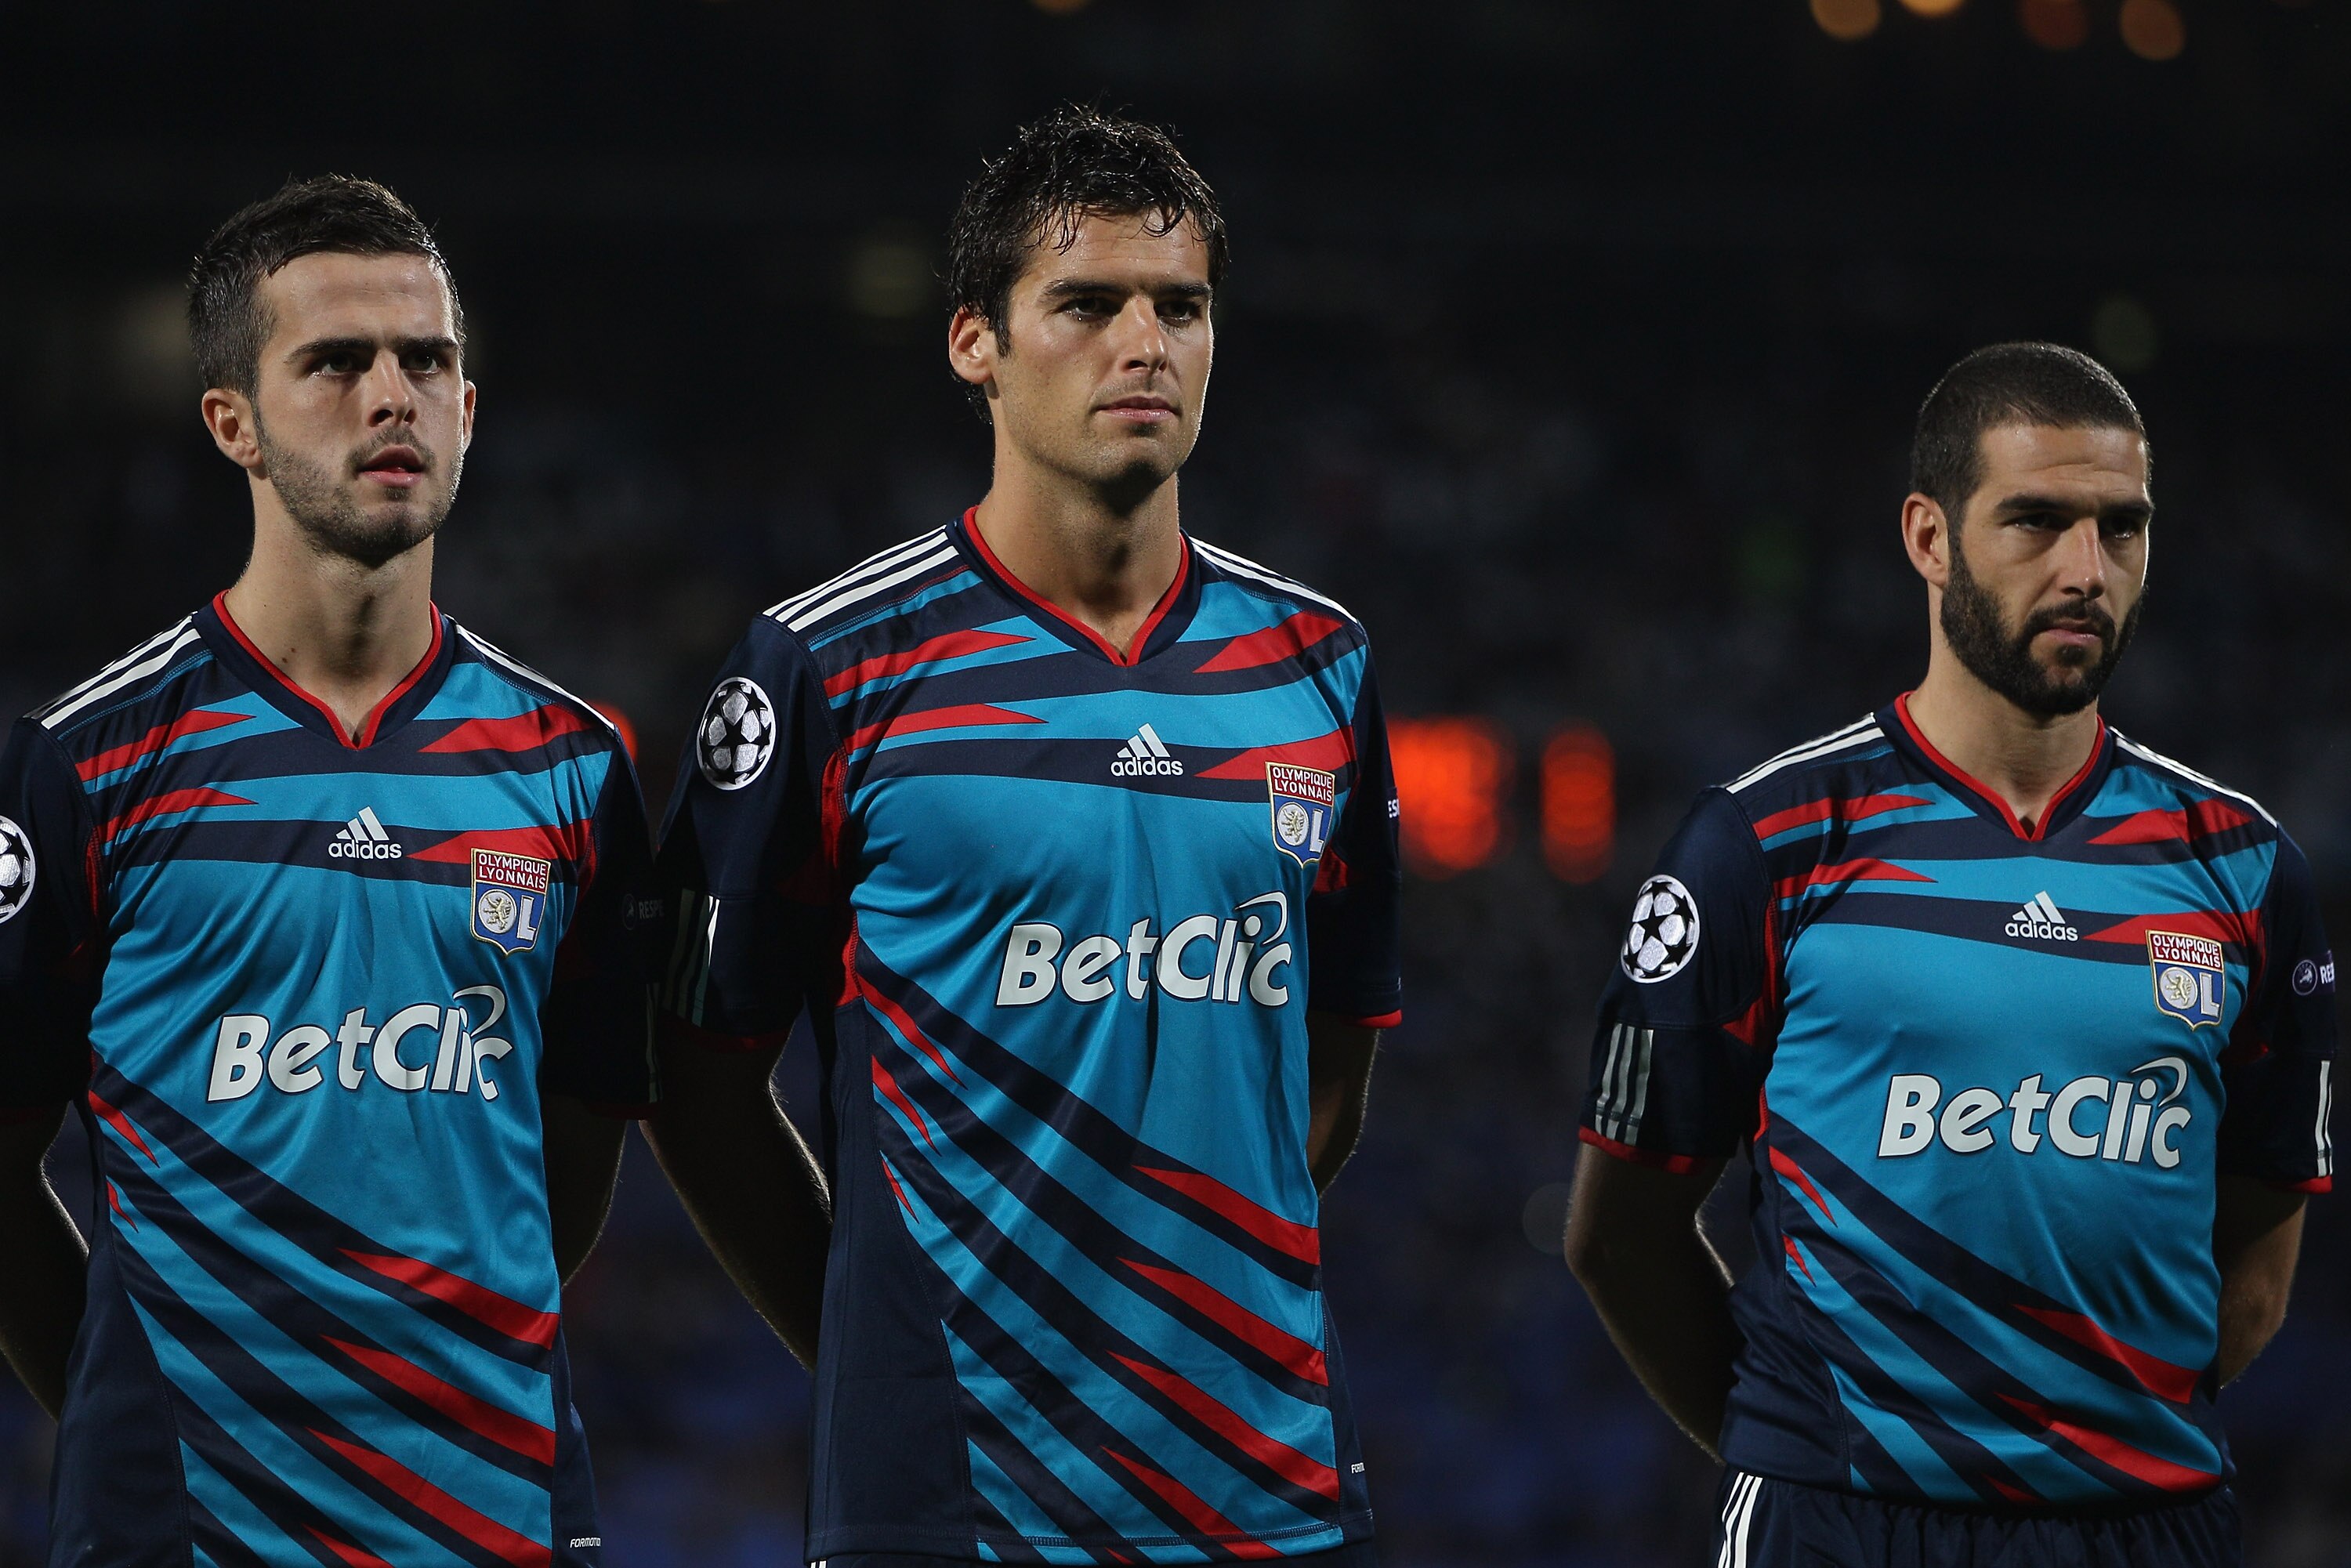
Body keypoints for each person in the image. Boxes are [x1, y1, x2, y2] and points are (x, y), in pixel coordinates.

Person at [647, 105, 1403, 1566]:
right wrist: (878, 1343)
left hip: (1270, 1495)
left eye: (1181, 306)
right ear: (974, 343)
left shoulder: (1322, 662)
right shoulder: (828, 667)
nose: (1146, 343)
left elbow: (1333, 1067)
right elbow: (695, 1079)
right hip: (950, 1502)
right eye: (1087, 303)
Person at [1564, 342, 2334, 1566]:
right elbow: (1620, 1233)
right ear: (1929, 537)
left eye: (2121, 529)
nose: (2088, 570)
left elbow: (2252, 1269)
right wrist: (1798, 1447)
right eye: (2036, 520)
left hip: (2153, 1529)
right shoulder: (1764, 843)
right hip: (1838, 1524)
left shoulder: (2246, 869)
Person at [0, 176, 655, 1566]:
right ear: (231, 419)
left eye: (427, 361)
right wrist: (147, 1400)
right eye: (336, 361)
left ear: (470, 410)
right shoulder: (86, 767)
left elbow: (575, 1155)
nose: (392, 394)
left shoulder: (578, 769)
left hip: (503, 1520)